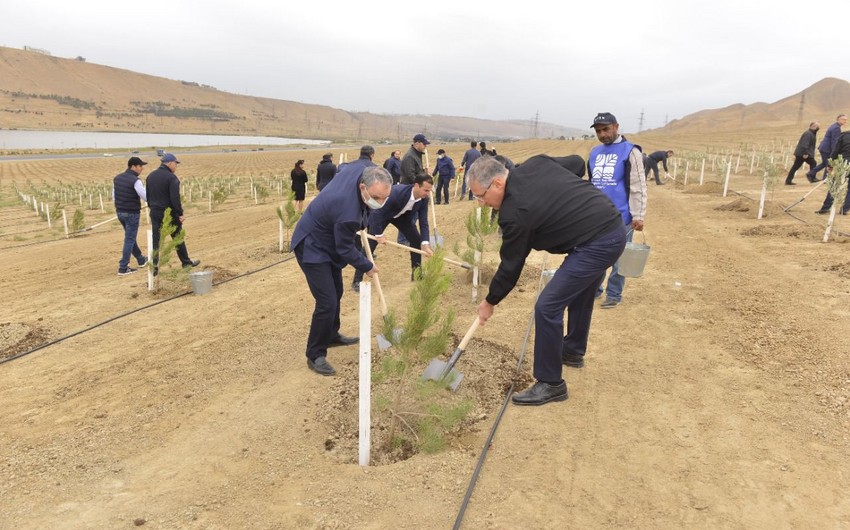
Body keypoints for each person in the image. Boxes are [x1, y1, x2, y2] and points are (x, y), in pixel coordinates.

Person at [468, 156, 626, 407]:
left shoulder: (515, 212)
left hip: (597, 243)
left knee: (547, 306)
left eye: (481, 195)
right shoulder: (534, 164)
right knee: (580, 293)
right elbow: (575, 163)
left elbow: (511, 265)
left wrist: (490, 301)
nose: (481, 203)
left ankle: (551, 383)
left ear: (498, 183)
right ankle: (572, 351)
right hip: (610, 226)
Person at [290, 155, 392, 377]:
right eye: (376, 198)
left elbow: (350, 164)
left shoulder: (363, 169)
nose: (380, 203)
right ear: (362, 187)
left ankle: (332, 334)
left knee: (337, 291)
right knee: (326, 301)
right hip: (313, 246)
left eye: (385, 198)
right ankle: (315, 353)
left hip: (328, 239)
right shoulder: (347, 212)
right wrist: (367, 265)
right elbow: (345, 249)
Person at [587, 112, 648, 309]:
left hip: (621, 216)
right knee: (595, 254)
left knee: (619, 257)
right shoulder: (594, 153)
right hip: (596, 216)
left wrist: (638, 215)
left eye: (606, 129)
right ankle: (594, 289)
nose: (602, 134)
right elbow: (591, 184)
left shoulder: (631, 151)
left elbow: (638, 185)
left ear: (616, 126)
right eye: (598, 131)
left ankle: (614, 293)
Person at [352, 174, 434, 291]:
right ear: (416, 186)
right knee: (371, 245)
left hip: (402, 217)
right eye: (425, 190)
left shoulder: (424, 199)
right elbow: (377, 212)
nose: (427, 193)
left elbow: (424, 222)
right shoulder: (397, 193)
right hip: (383, 215)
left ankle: (417, 273)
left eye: (429, 191)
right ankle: (357, 280)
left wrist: (425, 243)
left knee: (416, 240)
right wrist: (378, 234)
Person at [146, 153, 200, 275]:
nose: (176, 166)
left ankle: (154, 268)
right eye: (176, 164)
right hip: (168, 213)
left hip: (154, 212)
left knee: (156, 240)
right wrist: (180, 214)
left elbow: (148, 197)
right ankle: (186, 263)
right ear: (170, 163)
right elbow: (175, 198)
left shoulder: (150, 176)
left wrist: (153, 208)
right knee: (177, 238)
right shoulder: (172, 178)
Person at [113, 156, 149, 276]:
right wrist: (153, 202)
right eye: (140, 166)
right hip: (132, 213)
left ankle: (141, 259)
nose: (142, 168)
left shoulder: (117, 178)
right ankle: (123, 267)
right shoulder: (136, 180)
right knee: (129, 239)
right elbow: (144, 196)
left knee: (130, 237)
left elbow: (114, 195)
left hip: (120, 212)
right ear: (133, 166)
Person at [815, 127, 850, 216]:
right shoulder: (843, 136)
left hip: (843, 163)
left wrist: (830, 165)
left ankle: (826, 208)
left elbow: (835, 151)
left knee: (834, 186)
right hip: (844, 162)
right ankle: (844, 209)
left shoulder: (843, 136)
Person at [808, 114, 847, 182]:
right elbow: (834, 141)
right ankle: (826, 178)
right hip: (827, 149)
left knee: (825, 163)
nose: (845, 121)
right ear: (838, 119)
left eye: (846, 120)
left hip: (825, 148)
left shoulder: (835, 126)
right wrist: (835, 152)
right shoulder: (836, 128)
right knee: (830, 164)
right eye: (843, 119)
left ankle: (811, 174)